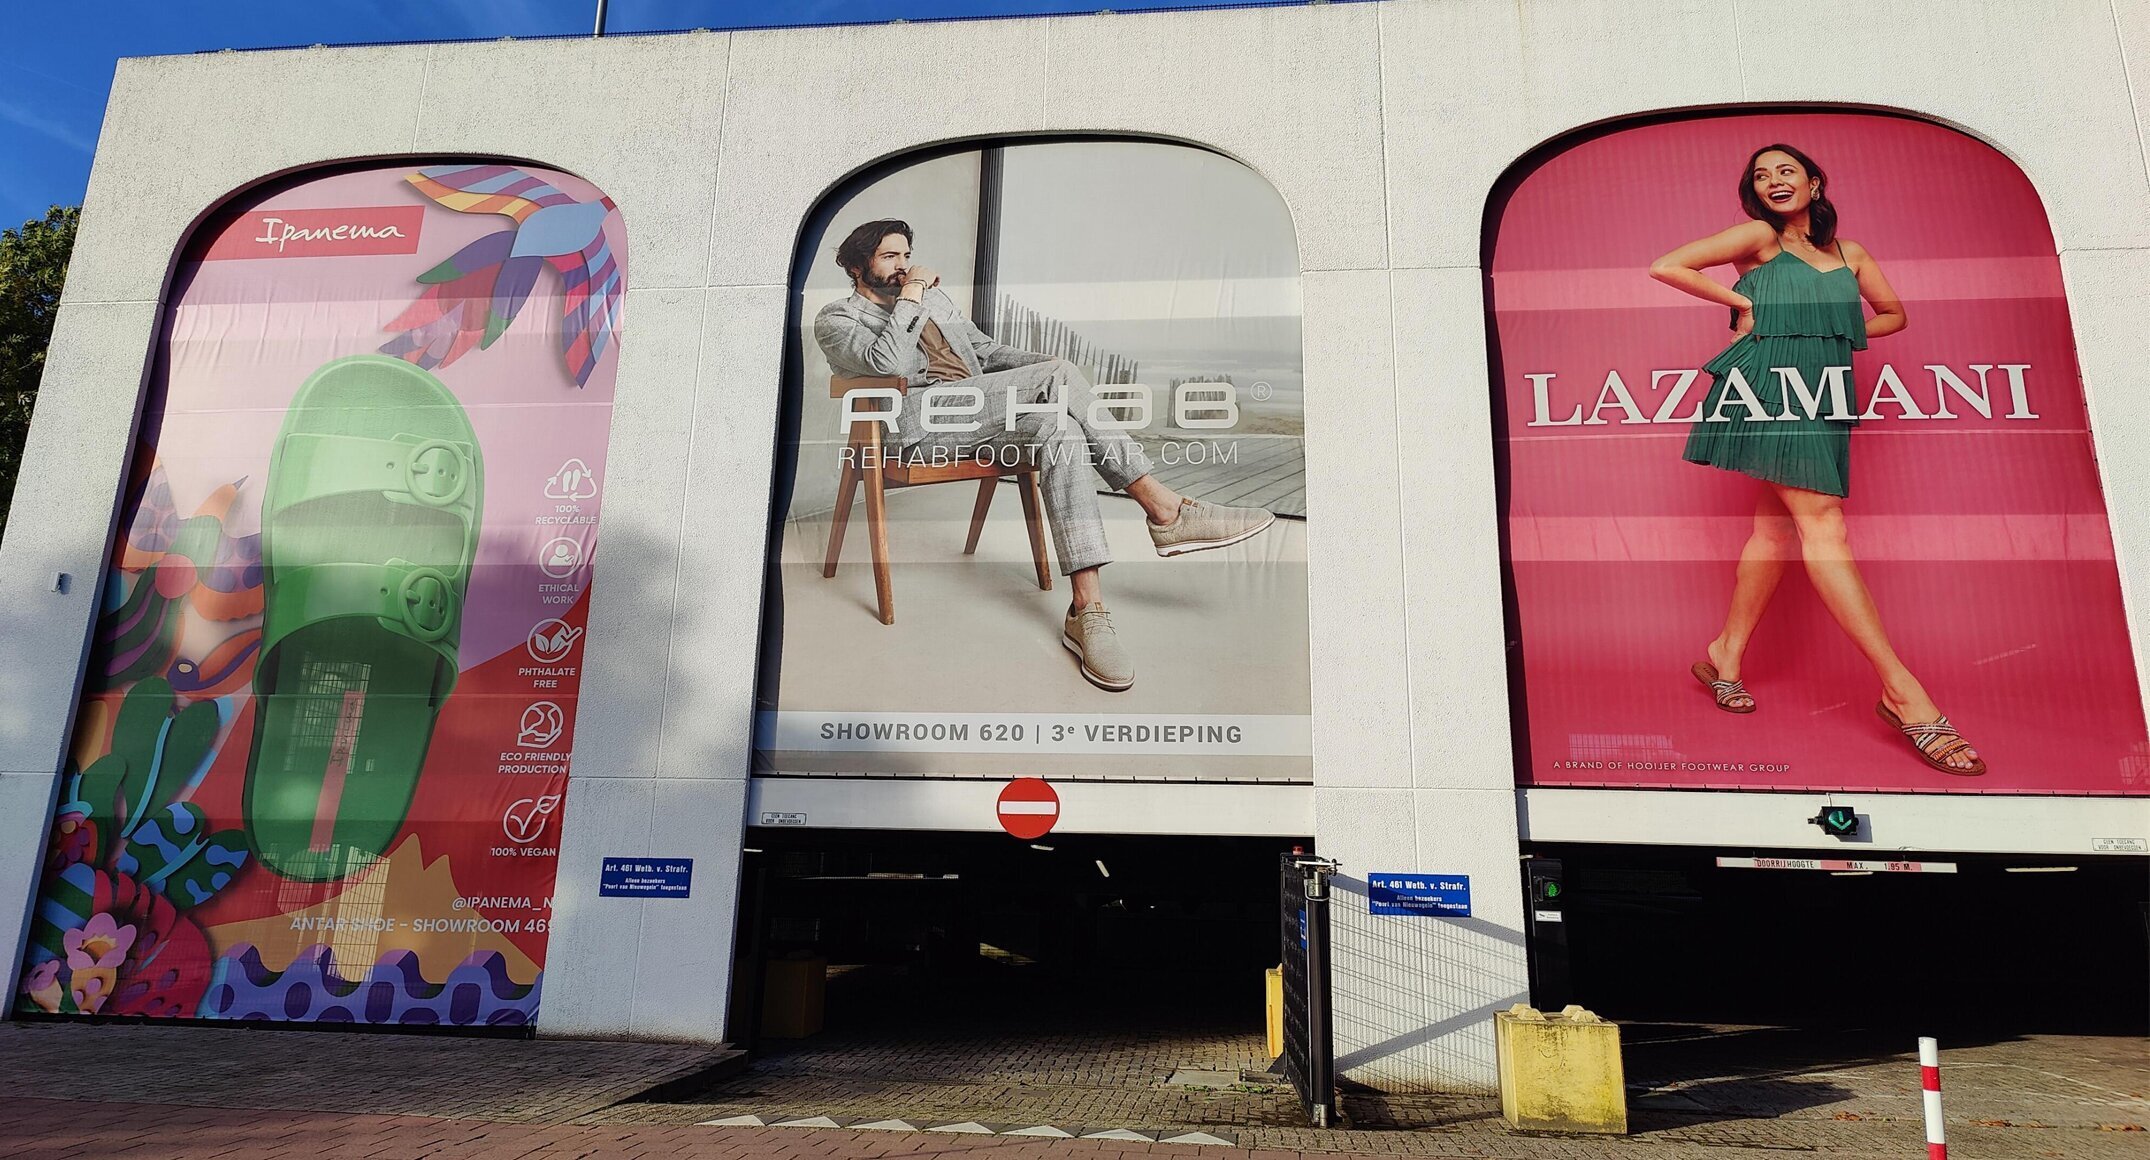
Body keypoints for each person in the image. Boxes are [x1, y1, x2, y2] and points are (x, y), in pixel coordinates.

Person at [814, 219, 1276, 692]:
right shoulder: (837, 319)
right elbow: (885, 364)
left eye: (907, 256)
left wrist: (1052, 370)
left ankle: (1086, 611)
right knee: (1058, 377)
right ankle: (1164, 508)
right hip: (915, 430)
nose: (904, 267)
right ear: (856, 267)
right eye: (890, 257)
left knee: (1060, 427)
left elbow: (986, 353)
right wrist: (912, 296)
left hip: (981, 414)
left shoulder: (933, 301)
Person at [1648, 144, 1985, 775]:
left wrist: (1828, 330)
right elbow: (1666, 265)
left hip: (1824, 385)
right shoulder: (1757, 237)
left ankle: (1725, 653)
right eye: (1761, 175)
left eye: (1786, 171)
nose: (1774, 181)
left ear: (1814, 181)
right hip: (1767, 383)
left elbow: (1893, 316)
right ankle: (1901, 691)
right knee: (1821, 518)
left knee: (1773, 530)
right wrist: (1748, 307)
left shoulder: (1847, 254)